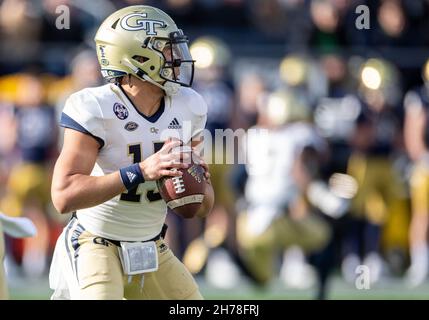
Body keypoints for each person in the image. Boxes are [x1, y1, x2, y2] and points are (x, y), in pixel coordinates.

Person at [48, 5, 214, 300]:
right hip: (94, 243)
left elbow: (201, 208)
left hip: (151, 246)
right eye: (167, 49)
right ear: (138, 58)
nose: (177, 57)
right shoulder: (94, 107)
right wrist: (141, 171)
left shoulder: (189, 105)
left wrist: (197, 180)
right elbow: (64, 195)